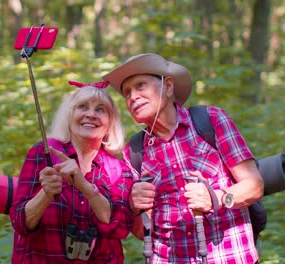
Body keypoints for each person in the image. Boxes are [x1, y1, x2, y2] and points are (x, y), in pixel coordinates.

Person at [102, 53, 264, 264]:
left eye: (140, 85)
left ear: (168, 87)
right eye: (126, 93)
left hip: (229, 256)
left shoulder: (211, 120)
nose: (132, 97)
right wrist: (134, 208)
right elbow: (142, 232)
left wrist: (217, 198)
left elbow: (255, 185)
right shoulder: (134, 151)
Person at [10, 81, 134, 264]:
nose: (91, 114)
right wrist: (46, 193)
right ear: (69, 115)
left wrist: (84, 186)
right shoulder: (44, 153)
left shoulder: (117, 169)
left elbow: (121, 227)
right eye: (82, 107)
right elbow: (20, 222)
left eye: (100, 110)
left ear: (110, 122)